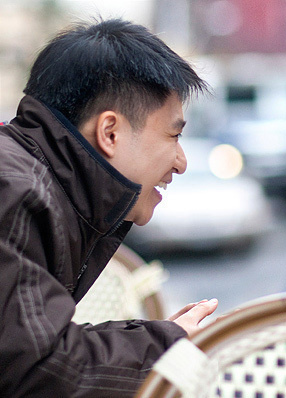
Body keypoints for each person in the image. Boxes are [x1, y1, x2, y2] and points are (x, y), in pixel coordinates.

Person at [0, 19, 219, 397]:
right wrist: (170, 346)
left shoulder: (33, 178)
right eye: (173, 134)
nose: (181, 162)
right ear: (110, 132)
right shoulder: (16, 192)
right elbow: (38, 370)